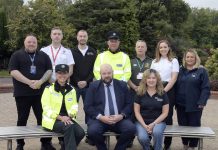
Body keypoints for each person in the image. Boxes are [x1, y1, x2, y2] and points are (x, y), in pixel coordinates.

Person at [8, 34, 55, 150]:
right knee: (22, 119)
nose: (31, 44)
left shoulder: (44, 55)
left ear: (37, 43)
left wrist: (40, 81)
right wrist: (29, 82)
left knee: (43, 119)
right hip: (22, 94)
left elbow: (49, 70)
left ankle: (45, 143)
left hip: (41, 94)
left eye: (34, 42)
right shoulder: (16, 55)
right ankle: (20, 144)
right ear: (24, 43)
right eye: (29, 42)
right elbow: (13, 71)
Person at [84, 64, 136, 150]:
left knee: (131, 129)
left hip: (119, 119)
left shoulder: (122, 85)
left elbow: (129, 104)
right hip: (101, 120)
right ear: (100, 74)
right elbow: (87, 106)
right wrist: (101, 117)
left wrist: (121, 115)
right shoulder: (93, 86)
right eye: (104, 73)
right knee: (92, 131)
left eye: (109, 73)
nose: (107, 75)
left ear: (113, 73)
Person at [41, 64, 85, 150]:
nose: (62, 75)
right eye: (59, 73)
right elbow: (46, 108)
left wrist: (70, 116)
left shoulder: (72, 89)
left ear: (68, 74)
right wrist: (61, 118)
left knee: (81, 133)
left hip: (68, 119)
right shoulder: (48, 89)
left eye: (64, 73)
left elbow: (74, 106)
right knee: (69, 127)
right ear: (56, 75)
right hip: (52, 120)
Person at [175, 49, 210, 150]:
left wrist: (202, 102)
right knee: (183, 125)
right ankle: (185, 144)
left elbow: (206, 88)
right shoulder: (180, 70)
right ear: (184, 59)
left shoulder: (201, 71)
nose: (189, 59)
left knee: (194, 126)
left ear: (196, 58)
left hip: (195, 105)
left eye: (192, 57)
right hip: (180, 104)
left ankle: (193, 146)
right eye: (188, 57)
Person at [150, 39, 179, 150]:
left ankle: (167, 143)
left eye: (165, 47)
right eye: (161, 47)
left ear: (168, 48)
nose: (163, 49)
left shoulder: (173, 61)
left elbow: (174, 78)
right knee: (155, 115)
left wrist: (164, 91)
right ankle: (155, 142)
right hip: (155, 88)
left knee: (167, 116)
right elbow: (151, 77)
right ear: (158, 49)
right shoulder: (154, 61)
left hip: (168, 90)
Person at [134, 69, 169, 150]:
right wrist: (144, 126)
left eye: (153, 78)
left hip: (158, 122)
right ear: (145, 80)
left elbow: (165, 113)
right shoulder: (139, 93)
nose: (151, 80)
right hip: (142, 122)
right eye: (149, 78)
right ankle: (147, 148)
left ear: (157, 80)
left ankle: (157, 148)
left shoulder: (162, 93)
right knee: (142, 138)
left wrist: (153, 124)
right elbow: (137, 112)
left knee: (157, 132)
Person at [128, 40, 152, 147]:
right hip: (133, 92)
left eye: (143, 46)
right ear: (135, 48)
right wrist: (134, 86)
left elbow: (153, 77)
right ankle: (130, 139)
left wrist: (144, 87)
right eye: (138, 47)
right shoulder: (130, 61)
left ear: (146, 48)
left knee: (147, 114)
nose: (140, 48)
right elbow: (127, 76)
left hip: (147, 92)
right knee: (131, 115)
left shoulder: (152, 61)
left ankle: (147, 140)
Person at [70, 29, 97, 102]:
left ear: (87, 37)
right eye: (80, 36)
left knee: (89, 109)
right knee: (72, 109)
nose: (82, 38)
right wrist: (77, 81)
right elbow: (71, 69)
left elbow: (94, 69)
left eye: (84, 36)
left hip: (88, 86)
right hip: (74, 85)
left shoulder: (93, 52)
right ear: (77, 37)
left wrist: (86, 81)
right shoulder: (71, 52)